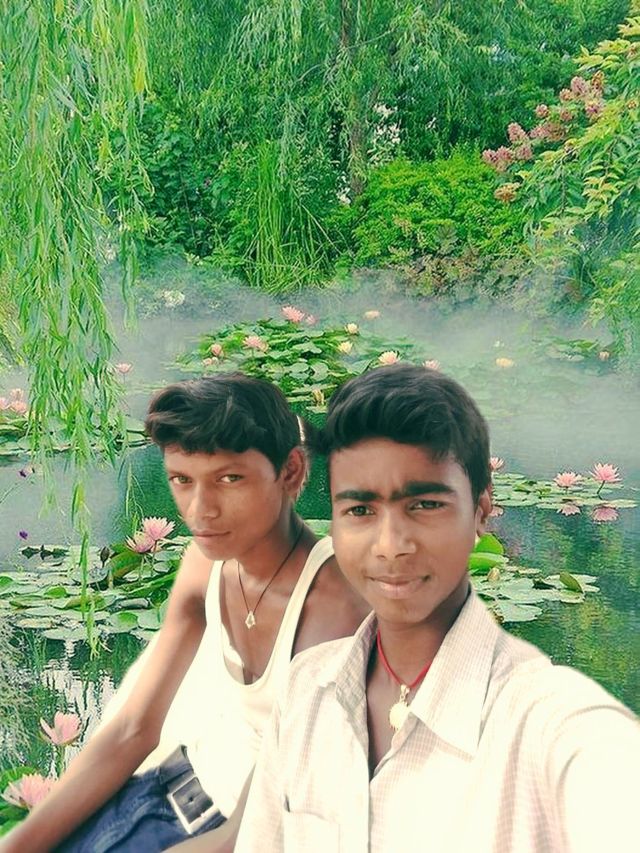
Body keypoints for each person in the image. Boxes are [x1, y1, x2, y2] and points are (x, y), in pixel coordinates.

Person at [236, 363, 640, 853]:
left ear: (481, 511)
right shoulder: (306, 689)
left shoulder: (550, 724)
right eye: (359, 510)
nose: (390, 546)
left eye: (424, 505)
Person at [0, 373, 369, 853]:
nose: (200, 510)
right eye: (182, 480)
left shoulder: (335, 611)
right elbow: (133, 729)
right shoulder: (204, 564)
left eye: (229, 479)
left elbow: (258, 826)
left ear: (292, 471)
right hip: (157, 795)